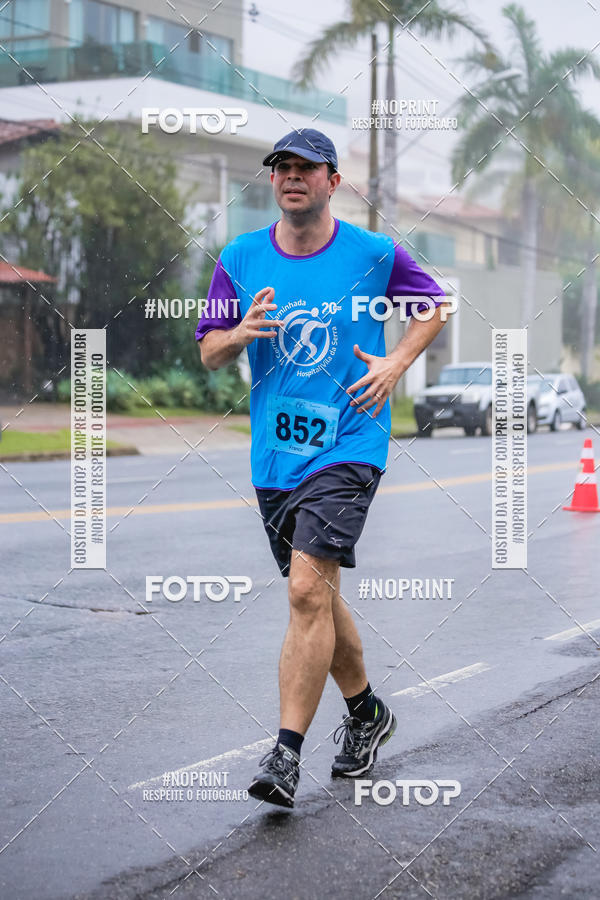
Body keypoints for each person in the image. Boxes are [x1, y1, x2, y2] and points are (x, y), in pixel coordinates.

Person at [196, 128, 450, 808]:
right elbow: (209, 350)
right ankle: (367, 713)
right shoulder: (241, 257)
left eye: (306, 167)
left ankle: (284, 755)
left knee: (307, 592)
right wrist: (237, 335)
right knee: (322, 597)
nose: (291, 176)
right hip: (276, 458)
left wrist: (396, 363)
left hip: (349, 443)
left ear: (333, 180)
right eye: (281, 167)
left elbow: (435, 306)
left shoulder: (371, 253)